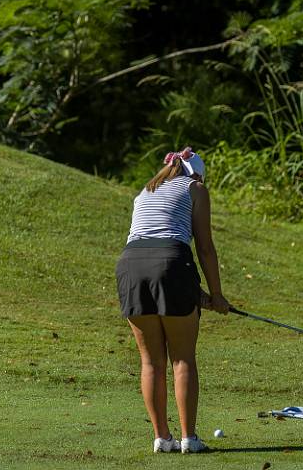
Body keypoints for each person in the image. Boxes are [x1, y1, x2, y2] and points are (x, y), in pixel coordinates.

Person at [115, 146, 230, 454]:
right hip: (172, 262)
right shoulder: (196, 189)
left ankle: (162, 438)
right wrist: (216, 295)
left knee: (151, 360)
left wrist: (196, 294)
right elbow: (204, 247)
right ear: (197, 174)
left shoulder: (146, 189)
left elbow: (153, 246)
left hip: (130, 266)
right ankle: (189, 439)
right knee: (182, 358)